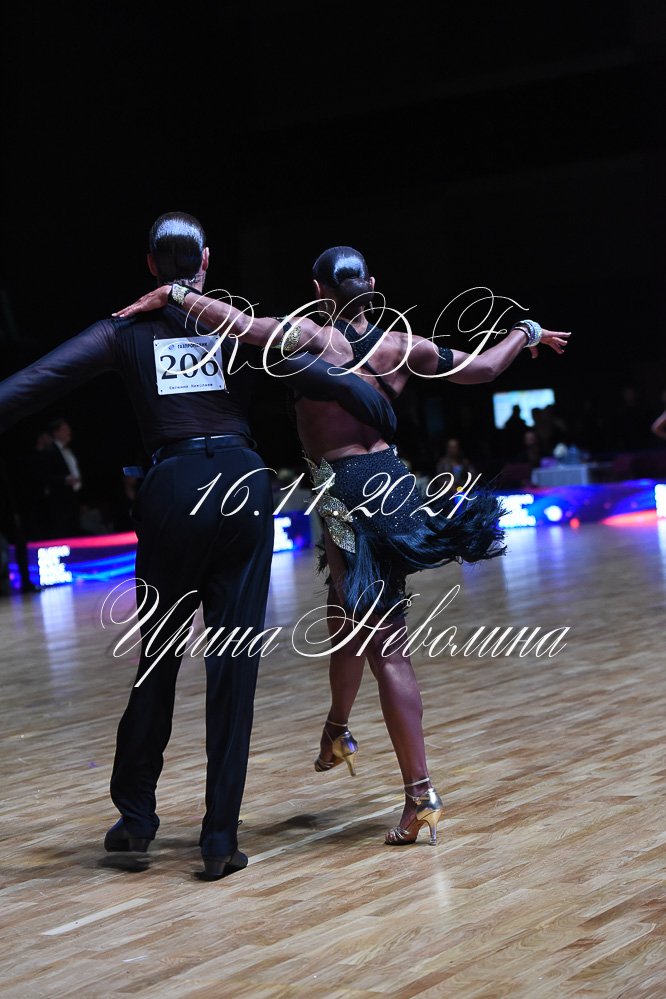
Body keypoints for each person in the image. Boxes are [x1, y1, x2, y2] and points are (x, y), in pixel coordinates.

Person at [116, 245, 570, 847]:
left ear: (318, 290)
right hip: (394, 486)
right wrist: (525, 332)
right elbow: (485, 369)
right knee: (344, 617)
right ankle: (337, 730)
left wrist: (176, 293)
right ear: (371, 283)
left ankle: (420, 794)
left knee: (387, 648)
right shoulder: (402, 347)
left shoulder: (311, 338)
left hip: (346, 497)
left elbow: (239, 324)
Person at [0, 217, 398, 880]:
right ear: (206, 261)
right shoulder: (234, 328)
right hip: (243, 485)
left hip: (174, 488)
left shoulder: (123, 330)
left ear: (150, 265)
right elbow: (334, 381)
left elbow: (30, 384)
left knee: (157, 660)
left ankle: (136, 821)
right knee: (233, 669)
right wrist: (375, 404)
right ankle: (219, 840)